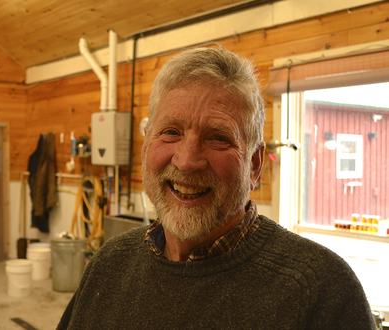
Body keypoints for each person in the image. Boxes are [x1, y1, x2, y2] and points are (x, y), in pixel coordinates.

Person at [56, 47, 376, 329]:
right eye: (171, 132)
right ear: (145, 148)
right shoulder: (109, 264)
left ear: (254, 164)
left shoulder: (323, 290)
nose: (186, 161)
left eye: (218, 137)